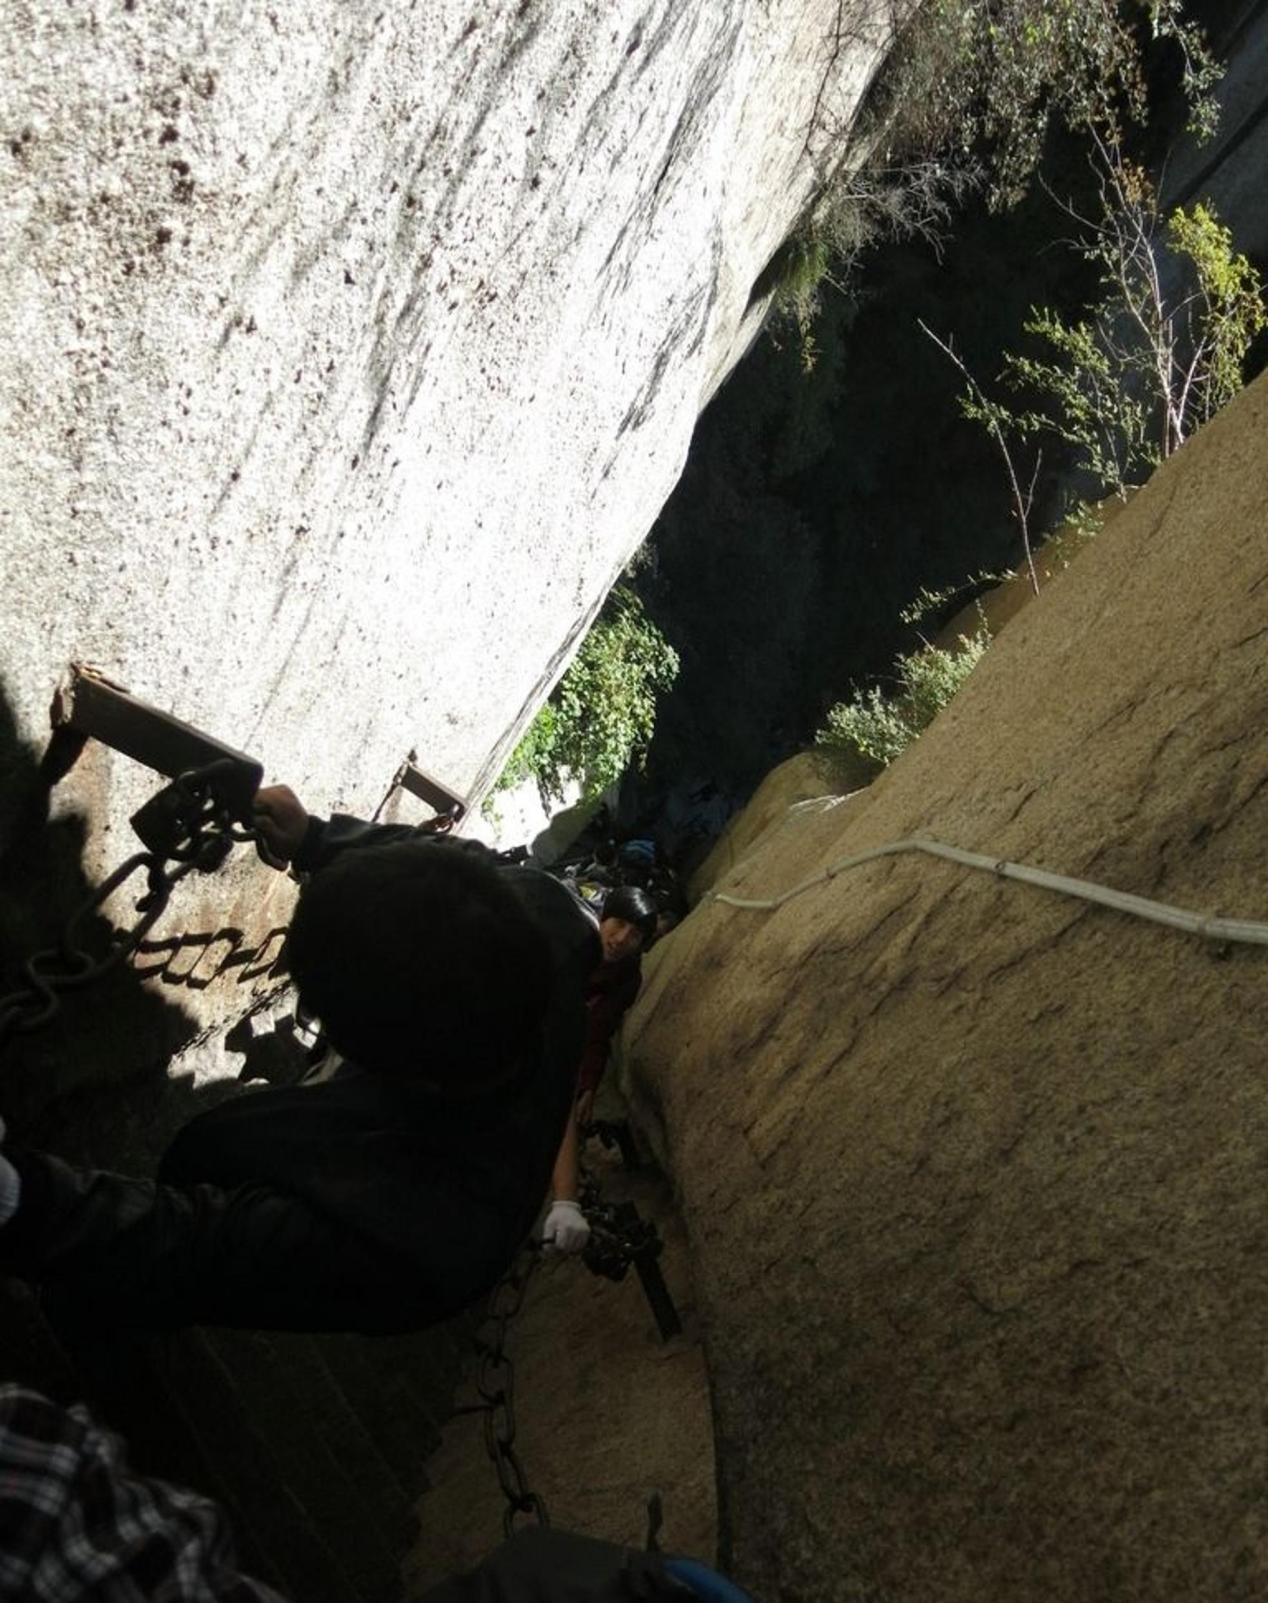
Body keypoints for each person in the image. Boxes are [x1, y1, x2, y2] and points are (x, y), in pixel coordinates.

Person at [0, 787, 597, 1334]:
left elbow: (193, 1245)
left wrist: (20, 1201)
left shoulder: (412, 1244)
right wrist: (316, 838)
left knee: (118, 1303)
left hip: (304, 1230)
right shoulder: (547, 915)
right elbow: (451, 864)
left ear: (376, 1063)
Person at [540, 884, 658, 1256]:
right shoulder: (567, 938)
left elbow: (597, 1030)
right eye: (618, 923)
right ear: (603, 917)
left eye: (635, 934)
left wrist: (588, 1085)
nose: (621, 938)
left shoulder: (626, 979)